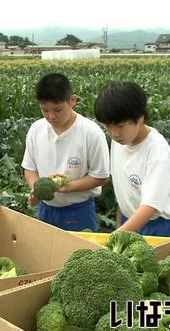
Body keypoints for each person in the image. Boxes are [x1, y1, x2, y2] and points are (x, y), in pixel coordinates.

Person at [94, 81, 170, 237]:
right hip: (130, 222)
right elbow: (124, 189)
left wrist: (118, 235)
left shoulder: (156, 149)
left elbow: (151, 206)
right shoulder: (120, 142)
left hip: (159, 227)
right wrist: (120, 221)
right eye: (108, 126)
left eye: (121, 126)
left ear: (140, 117)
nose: (114, 133)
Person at [21, 73, 109, 231]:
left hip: (78, 210)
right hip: (45, 210)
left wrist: (69, 187)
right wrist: (36, 188)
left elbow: (100, 176)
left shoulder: (91, 133)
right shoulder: (36, 129)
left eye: (57, 110)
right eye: (44, 110)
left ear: (72, 101)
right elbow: (30, 168)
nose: (51, 116)